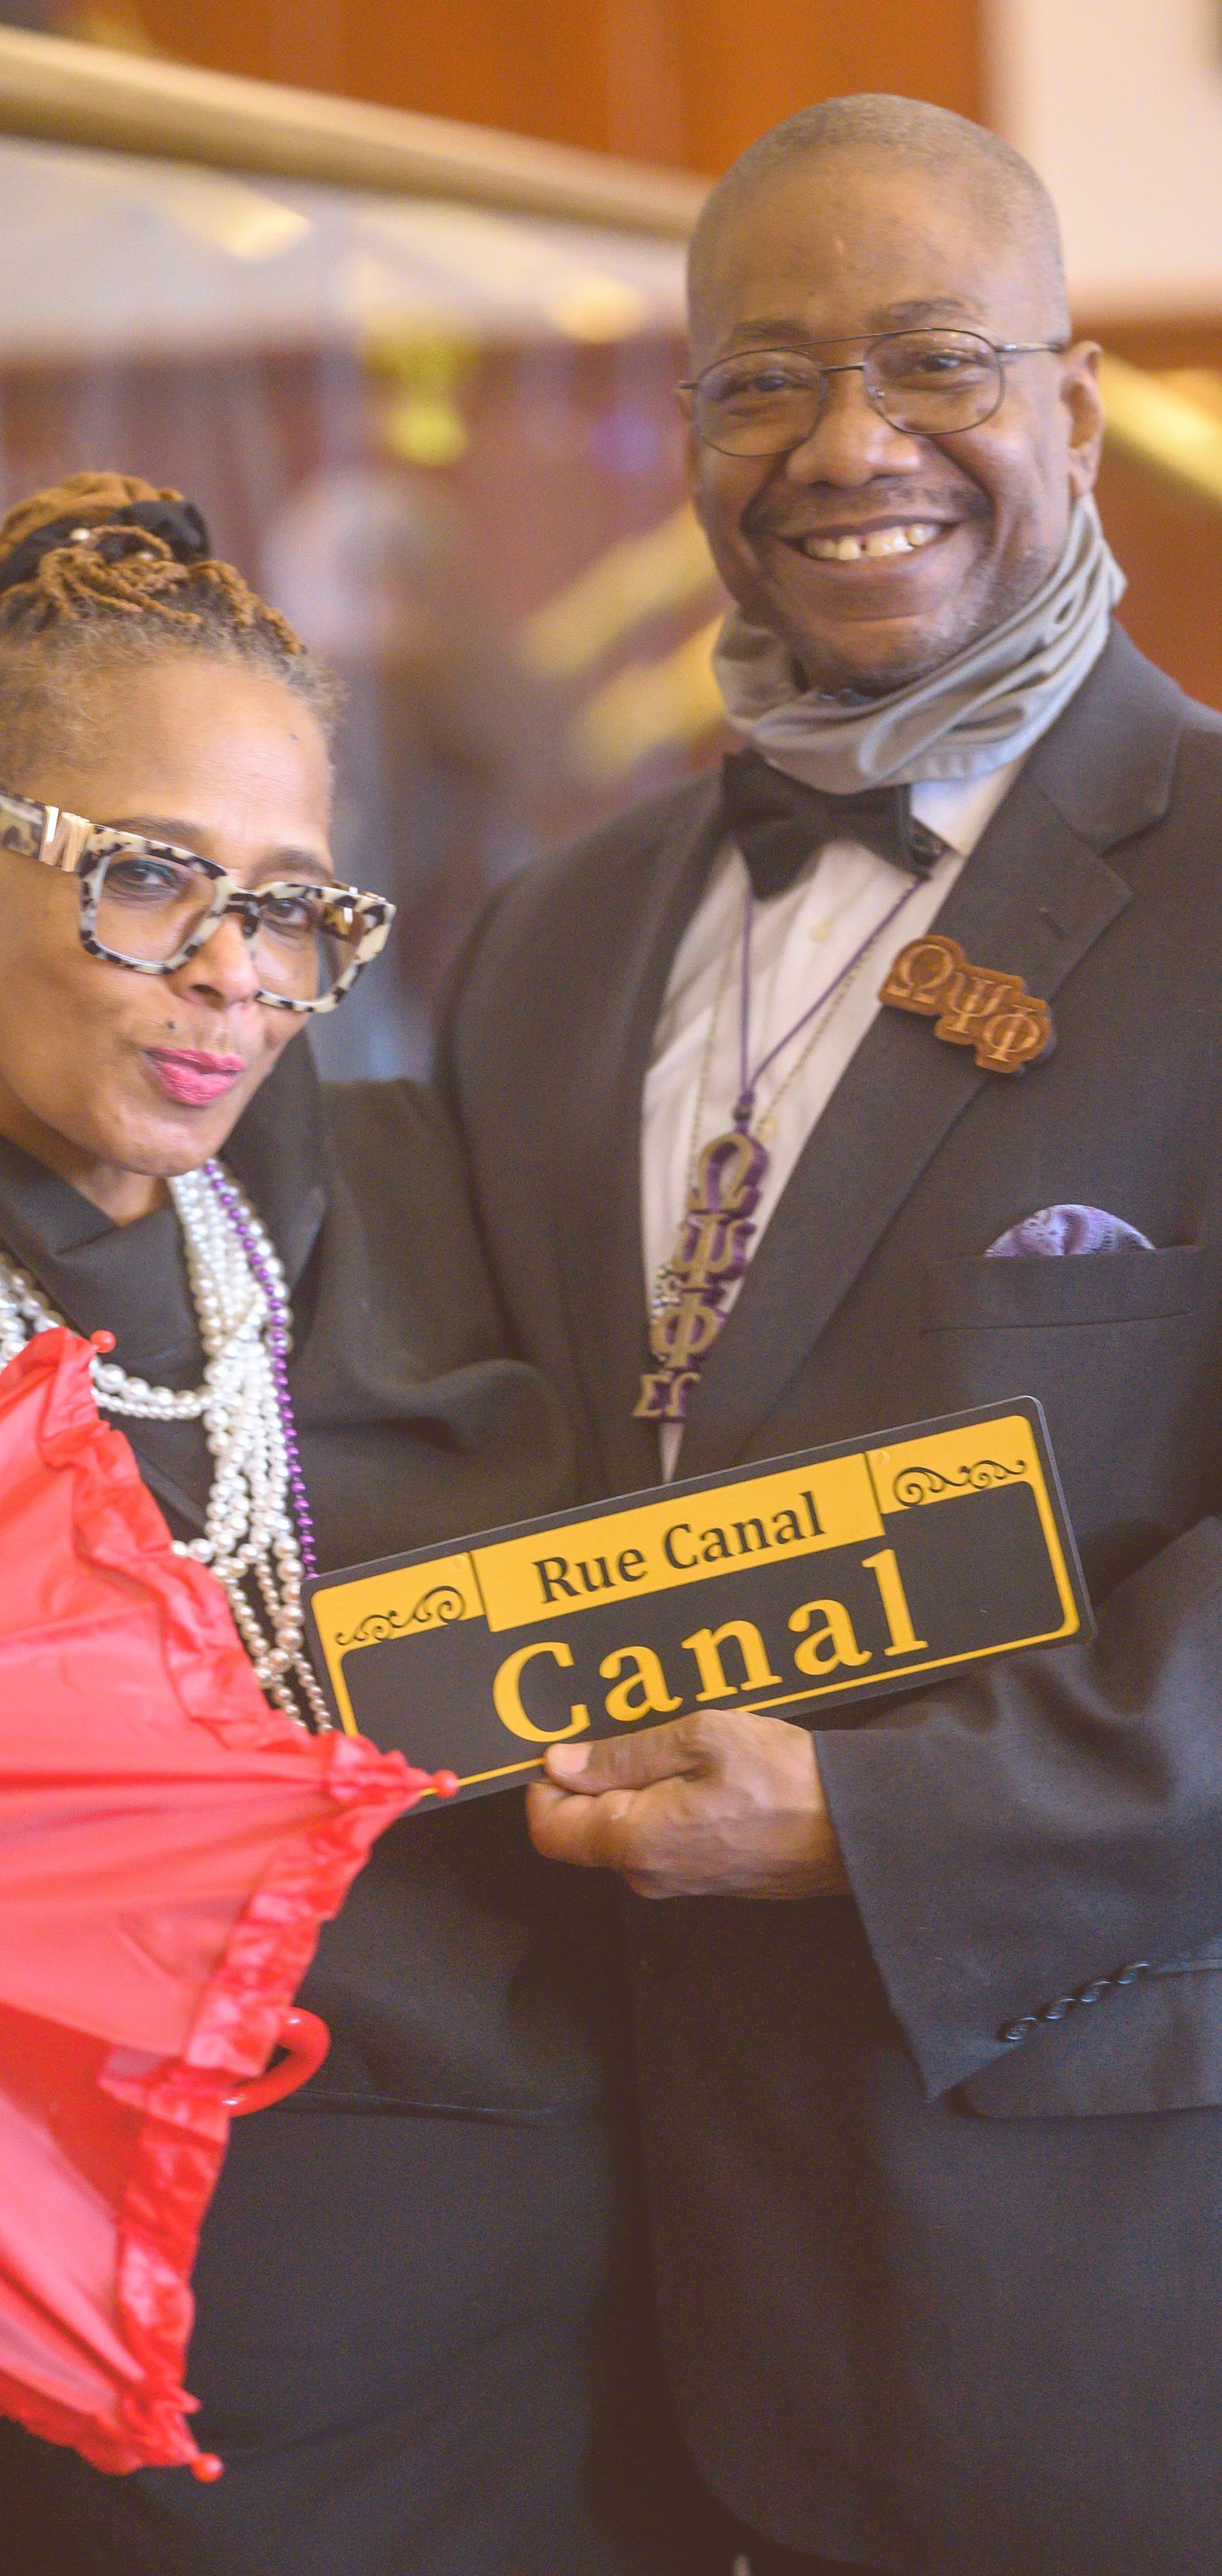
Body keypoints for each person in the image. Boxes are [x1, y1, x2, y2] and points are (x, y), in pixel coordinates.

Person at [0, 473, 726, 2576]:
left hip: (599, 2382)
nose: (225, 978)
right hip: (163, 2458)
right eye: (147, 877)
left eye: (290, 906)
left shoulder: (410, 1205)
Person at [444, 94, 1222, 2576]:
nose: (847, 444)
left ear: (1078, 408)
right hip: (596, 2281)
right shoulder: (549, 939)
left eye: (930, 359)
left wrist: (866, 1815)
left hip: (1087, 2273)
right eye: (764, 378)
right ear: (688, 439)